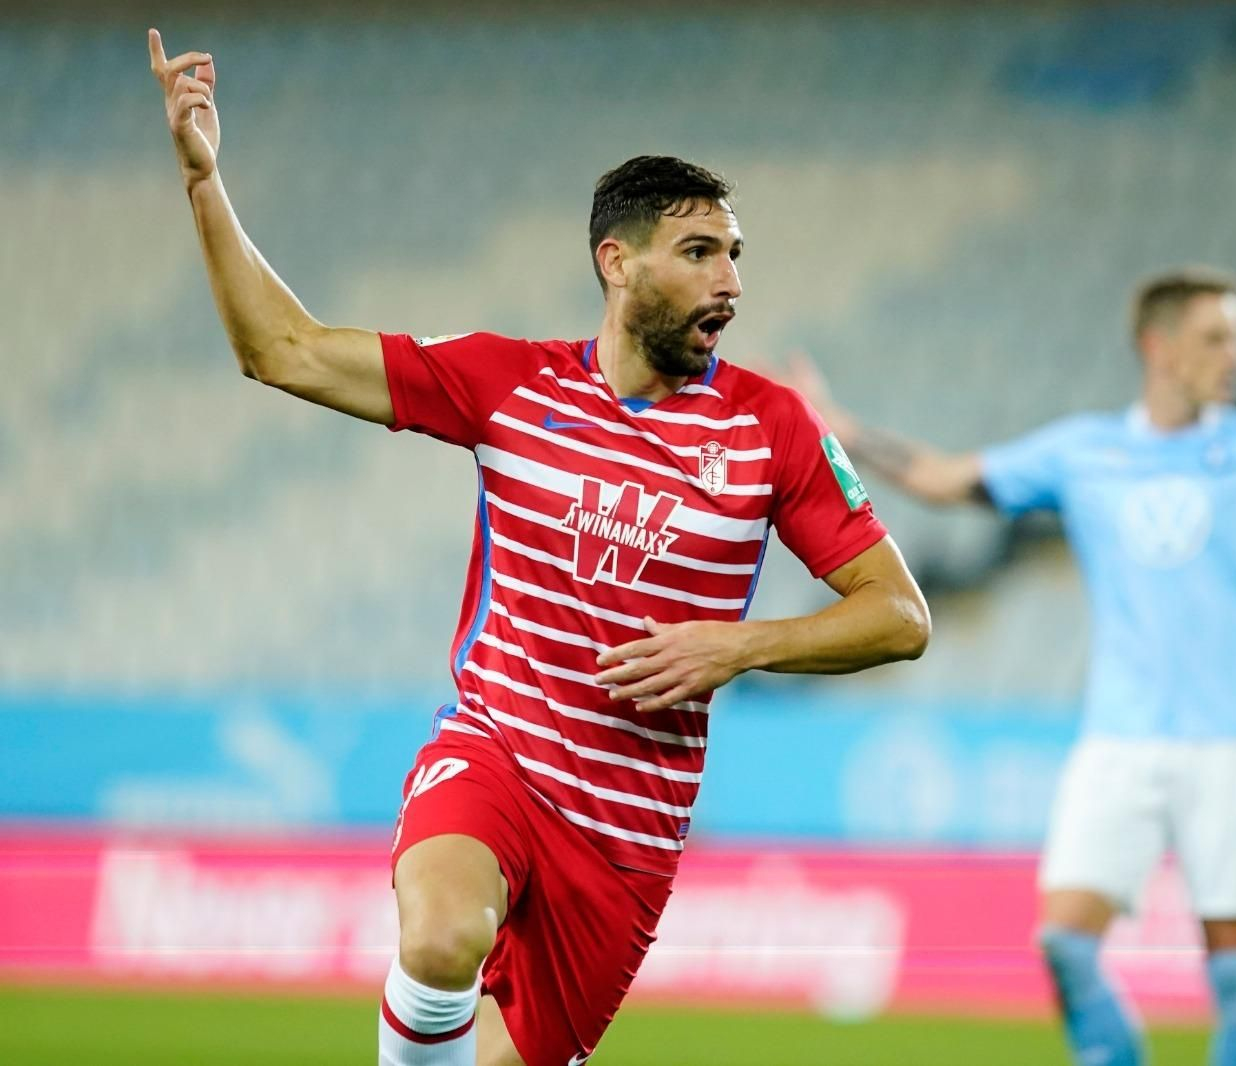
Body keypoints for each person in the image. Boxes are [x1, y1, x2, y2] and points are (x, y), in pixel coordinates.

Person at [148, 30, 930, 1066]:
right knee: (439, 938)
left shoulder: (769, 426)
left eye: (736, 255)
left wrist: (739, 647)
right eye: (701, 252)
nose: (730, 281)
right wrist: (204, 182)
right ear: (618, 261)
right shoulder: (511, 384)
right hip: (496, 754)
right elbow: (281, 349)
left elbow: (899, 616)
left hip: (626, 836)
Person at [782, 220, 1236, 1066]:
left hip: (1231, 743)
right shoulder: (1084, 453)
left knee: (1235, 979)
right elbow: (944, 479)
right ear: (1158, 347)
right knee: (1065, 944)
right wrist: (839, 429)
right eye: (1216, 338)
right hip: (1121, 741)